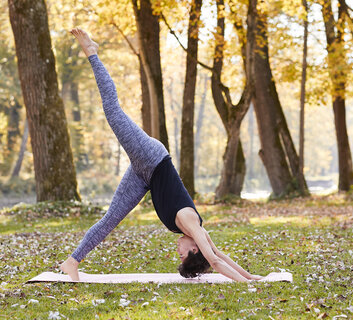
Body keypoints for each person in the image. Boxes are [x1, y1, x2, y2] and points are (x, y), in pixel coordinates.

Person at [60, 28, 262, 282]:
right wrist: (246, 286)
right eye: (182, 256)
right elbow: (215, 260)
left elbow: (217, 253)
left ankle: (72, 261)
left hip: (144, 175)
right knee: (112, 111)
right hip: (151, 157)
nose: (177, 252)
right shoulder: (191, 224)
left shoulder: (197, 231)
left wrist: (253, 277)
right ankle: (92, 52)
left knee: (111, 218)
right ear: (193, 248)